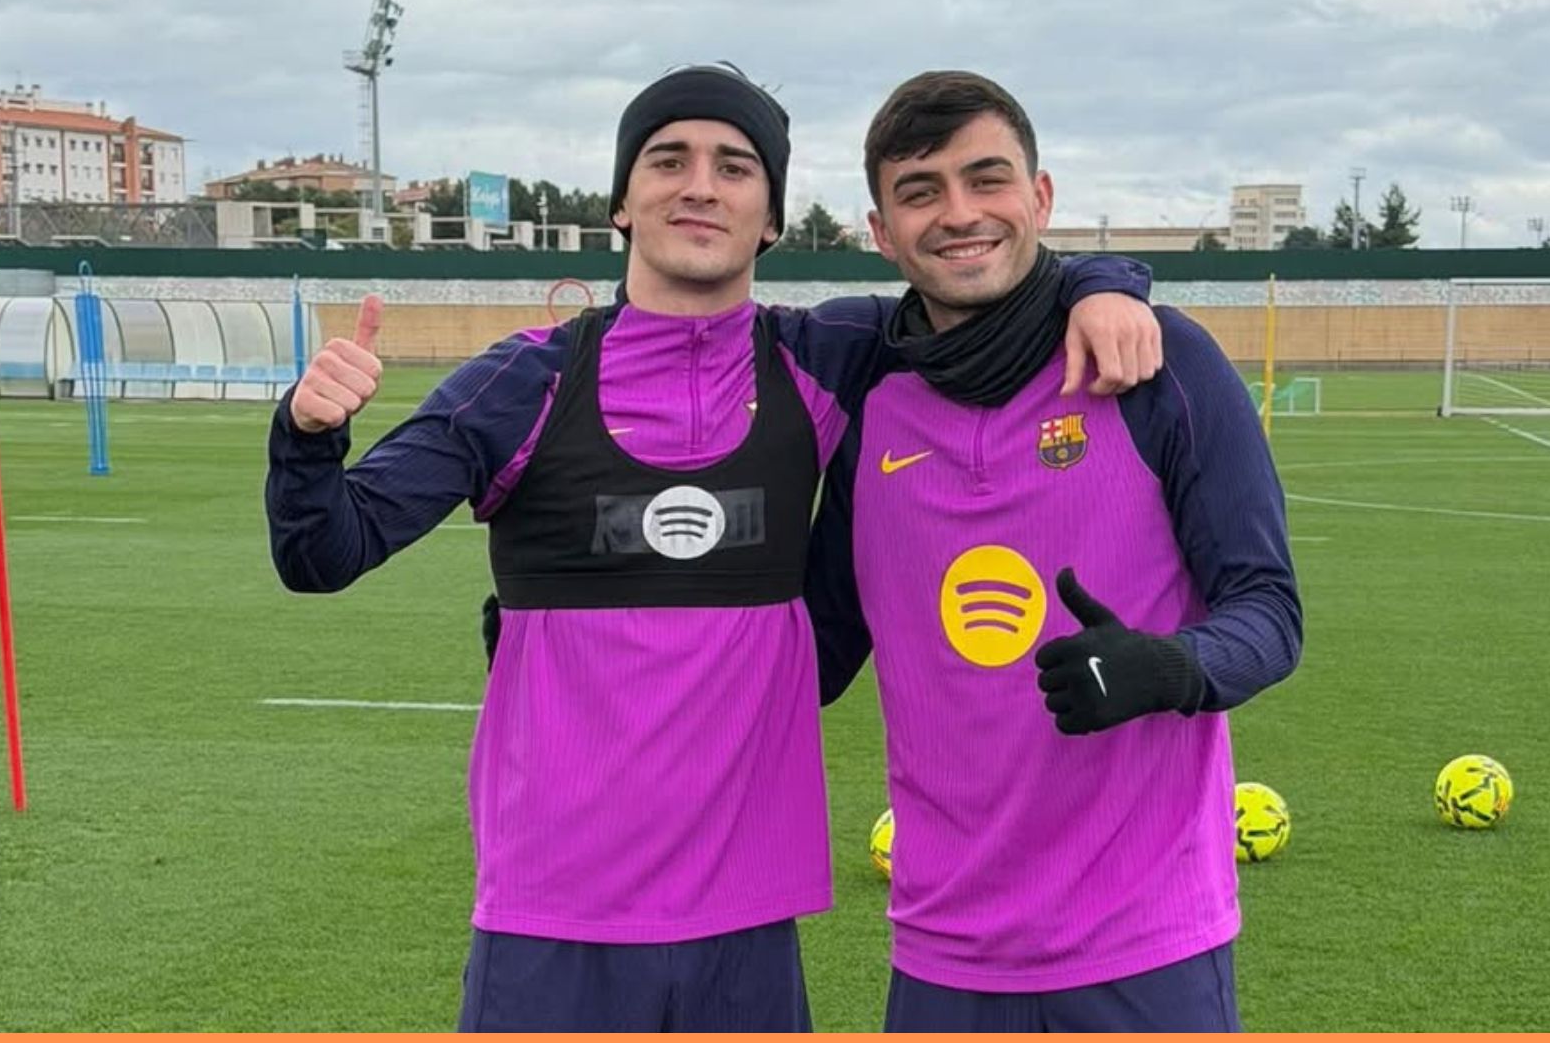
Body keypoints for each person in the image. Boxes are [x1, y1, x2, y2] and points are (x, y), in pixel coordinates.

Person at [265, 63, 1164, 1032]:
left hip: (749, 920)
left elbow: (979, 280)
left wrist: (1106, 282)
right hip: (551, 913)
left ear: (771, 215)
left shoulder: (824, 358)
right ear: (622, 200)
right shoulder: (522, 383)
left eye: (735, 166)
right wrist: (309, 435)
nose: (701, 184)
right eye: (669, 159)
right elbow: (326, 552)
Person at [806, 70, 1304, 1032]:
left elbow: (1270, 612)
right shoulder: (870, 401)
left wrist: (1171, 666)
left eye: (986, 179)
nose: (959, 214)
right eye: (921, 191)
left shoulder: (1160, 364)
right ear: (880, 231)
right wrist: (587, 629)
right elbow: (811, 650)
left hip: (1147, 944)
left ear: (1040, 198)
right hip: (944, 953)